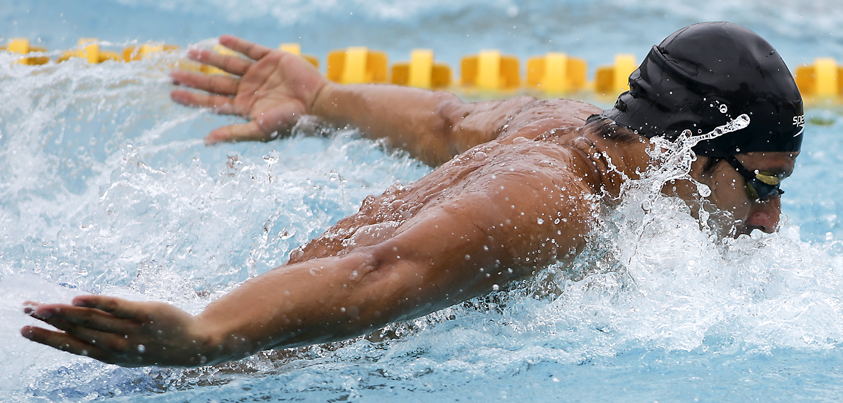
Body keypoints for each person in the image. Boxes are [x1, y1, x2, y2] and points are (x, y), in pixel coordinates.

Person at [21, 21, 803, 367]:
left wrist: (325, 98)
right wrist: (205, 335)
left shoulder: (562, 125)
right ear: (683, 152)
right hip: (241, 367)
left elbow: (443, 117)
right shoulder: (554, 201)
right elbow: (380, 268)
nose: (767, 218)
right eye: (761, 184)